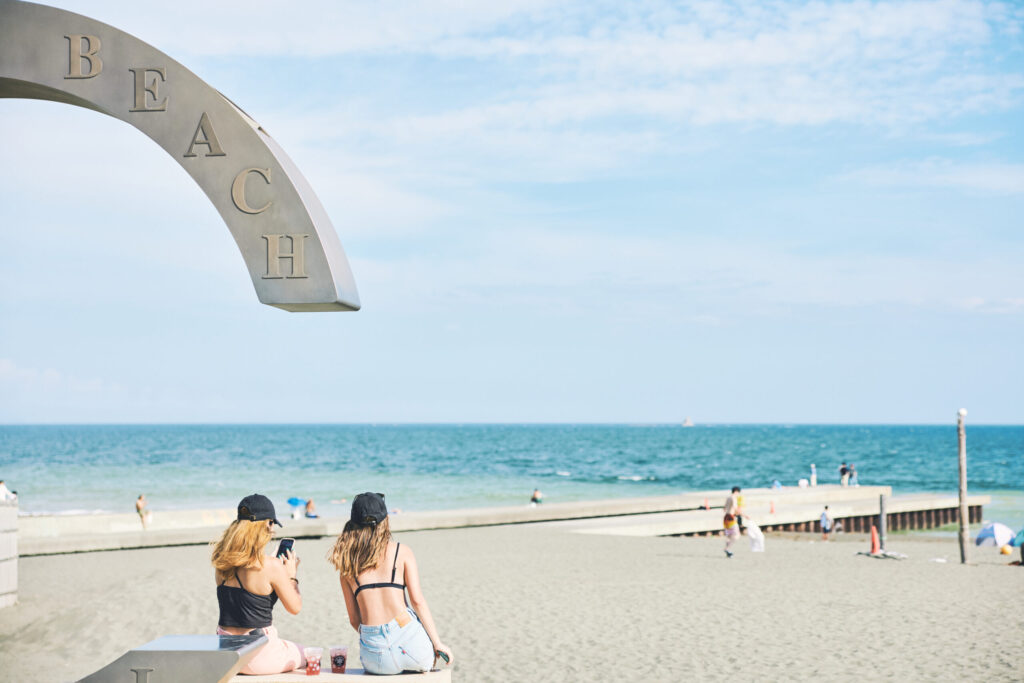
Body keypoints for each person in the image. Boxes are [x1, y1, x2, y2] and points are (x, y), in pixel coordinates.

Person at [328, 492, 453, 674]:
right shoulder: (402, 552)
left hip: (374, 657)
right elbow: (417, 601)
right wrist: (437, 643)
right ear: (385, 521)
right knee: (410, 618)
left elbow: (354, 620)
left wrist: (377, 638)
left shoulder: (347, 566)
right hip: (411, 645)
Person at [212, 493, 305, 675]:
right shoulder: (271, 566)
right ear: (266, 524)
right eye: (272, 524)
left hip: (227, 653)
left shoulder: (221, 563)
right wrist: (291, 576)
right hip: (258, 654)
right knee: (307, 653)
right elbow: (295, 607)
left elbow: (246, 602)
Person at [723, 486, 744, 558]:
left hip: (726, 518)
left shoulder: (728, 497)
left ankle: (728, 552)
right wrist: (744, 515)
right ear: (736, 491)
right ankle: (727, 549)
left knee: (729, 535)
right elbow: (735, 508)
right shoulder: (734, 498)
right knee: (737, 535)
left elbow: (724, 509)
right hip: (731, 518)